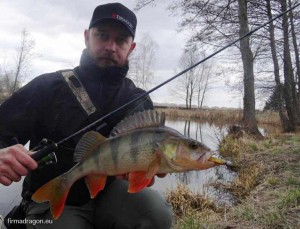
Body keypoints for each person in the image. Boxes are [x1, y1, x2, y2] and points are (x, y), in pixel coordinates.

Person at [0, 3, 173, 229]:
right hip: (55, 197)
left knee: (155, 212)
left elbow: (145, 166)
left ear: (131, 48)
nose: (111, 47)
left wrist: (147, 170)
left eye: (121, 40)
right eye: (102, 36)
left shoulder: (138, 100)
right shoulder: (49, 87)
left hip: (108, 195)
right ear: (86, 37)